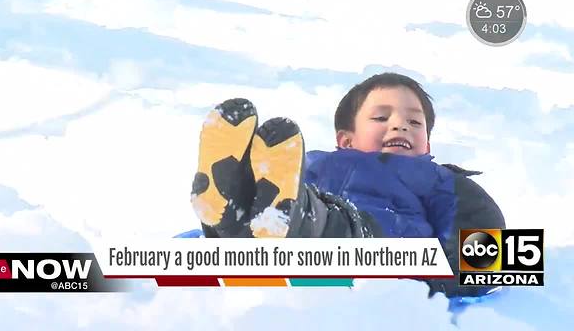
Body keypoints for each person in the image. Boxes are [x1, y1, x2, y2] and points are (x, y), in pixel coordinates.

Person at [190, 72, 505, 296]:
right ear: (346, 139)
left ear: (428, 143)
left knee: (329, 221)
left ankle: (278, 221)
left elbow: (491, 249)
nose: (400, 125)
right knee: (274, 204)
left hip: (378, 252)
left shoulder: (439, 178)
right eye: (381, 118)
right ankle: (231, 210)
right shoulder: (310, 161)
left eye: (415, 122)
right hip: (296, 245)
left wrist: (429, 280)